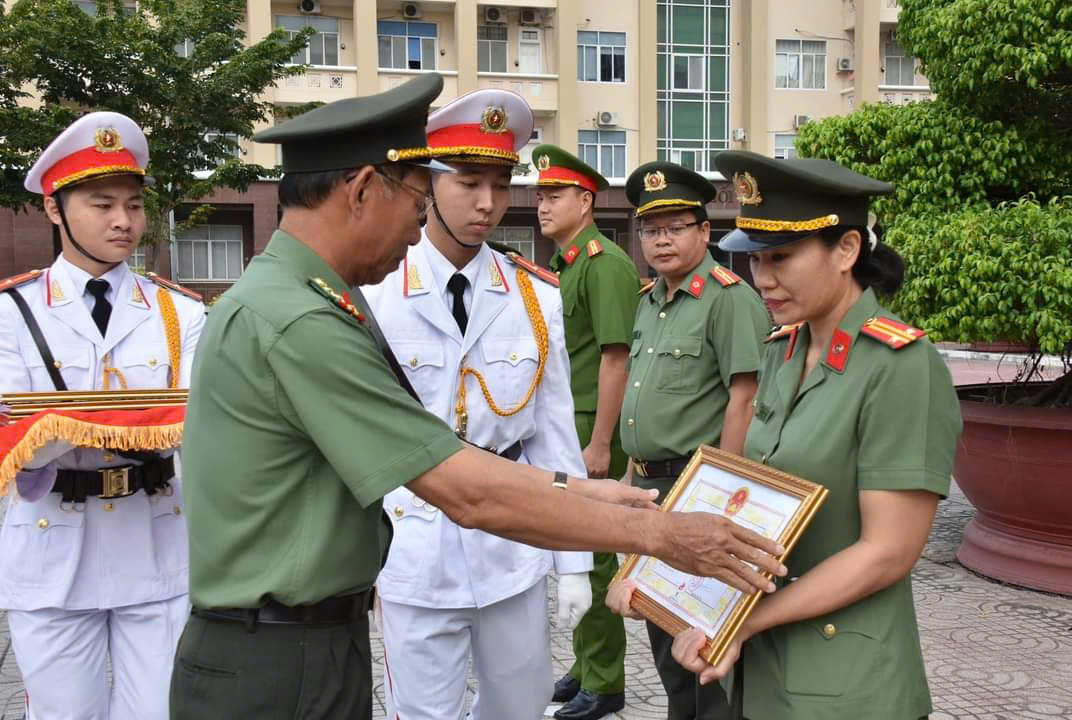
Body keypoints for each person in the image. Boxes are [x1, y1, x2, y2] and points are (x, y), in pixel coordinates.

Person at [170, 73, 788, 720]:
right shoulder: (302, 319)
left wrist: (581, 496)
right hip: (284, 651)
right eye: (417, 201)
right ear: (360, 189)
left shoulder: (308, 299)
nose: (417, 229)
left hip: (333, 629)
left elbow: (528, 440)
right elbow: (460, 486)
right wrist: (661, 534)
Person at [613, 151, 963, 720]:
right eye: (755, 259)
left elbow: (887, 553)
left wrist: (742, 624)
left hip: (846, 682)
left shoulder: (900, 366)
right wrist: (658, 579)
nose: (764, 279)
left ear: (846, 250)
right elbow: (748, 496)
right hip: (763, 671)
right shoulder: (784, 350)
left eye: (781, 257)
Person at [361, 88, 593, 720]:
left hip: (512, 547)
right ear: (429, 184)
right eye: (468, 182)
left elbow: (553, 440)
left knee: (519, 710)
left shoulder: (535, 298)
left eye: (500, 182)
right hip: (411, 541)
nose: (488, 203)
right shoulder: (375, 295)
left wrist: (573, 563)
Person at [0, 112, 206, 719]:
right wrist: (139, 418)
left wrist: (61, 418)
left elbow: (200, 425)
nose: (123, 221)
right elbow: (15, 440)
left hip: (157, 540)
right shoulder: (13, 313)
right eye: (102, 203)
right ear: (55, 209)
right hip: (51, 548)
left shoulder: (179, 313)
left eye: (134, 205)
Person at [618, 161, 771, 720]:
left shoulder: (728, 299)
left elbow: (746, 399)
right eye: (650, 229)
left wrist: (723, 494)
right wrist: (630, 480)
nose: (661, 239)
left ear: (705, 232)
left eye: (676, 227)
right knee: (667, 642)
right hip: (651, 488)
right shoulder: (649, 300)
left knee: (704, 647)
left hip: (697, 490)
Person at [532, 144, 641, 720]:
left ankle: (605, 681)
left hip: (588, 430)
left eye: (554, 196)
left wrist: (600, 443)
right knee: (570, 555)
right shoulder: (565, 265)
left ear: (586, 200)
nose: (542, 205)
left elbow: (614, 359)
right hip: (564, 428)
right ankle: (583, 667)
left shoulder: (604, 265)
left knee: (595, 559)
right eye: (541, 195)